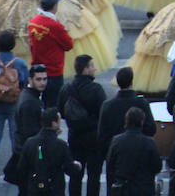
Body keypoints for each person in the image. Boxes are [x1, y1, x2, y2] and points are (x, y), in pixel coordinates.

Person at [97, 67, 156, 189]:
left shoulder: (108, 105)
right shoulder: (141, 103)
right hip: (140, 157)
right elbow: (151, 129)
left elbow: (102, 136)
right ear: (131, 82)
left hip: (117, 159)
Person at [57, 54, 106, 196]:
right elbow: (103, 113)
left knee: (75, 175)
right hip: (93, 138)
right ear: (86, 69)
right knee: (94, 176)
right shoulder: (96, 89)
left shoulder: (66, 89)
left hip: (74, 137)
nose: (95, 68)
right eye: (92, 66)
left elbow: (61, 111)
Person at [0, 30, 29, 180]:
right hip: (14, 103)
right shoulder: (19, 63)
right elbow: (24, 81)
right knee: (14, 136)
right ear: (13, 45)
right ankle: (16, 167)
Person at [16, 108, 81, 196]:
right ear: (54, 123)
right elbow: (69, 168)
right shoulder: (61, 145)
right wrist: (77, 166)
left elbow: (21, 168)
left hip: (34, 188)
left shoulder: (30, 142)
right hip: (55, 188)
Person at [105, 108, 162, 196]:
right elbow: (157, 166)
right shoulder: (149, 142)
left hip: (122, 188)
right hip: (143, 188)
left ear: (126, 121)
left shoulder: (116, 141)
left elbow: (110, 166)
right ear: (141, 122)